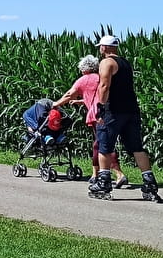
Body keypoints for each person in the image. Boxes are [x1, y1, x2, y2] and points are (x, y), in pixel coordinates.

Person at [88, 35, 160, 202]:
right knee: (137, 148)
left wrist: (100, 108)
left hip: (113, 111)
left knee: (105, 146)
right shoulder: (125, 63)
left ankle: (104, 183)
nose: (100, 49)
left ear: (104, 48)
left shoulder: (106, 63)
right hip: (131, 111)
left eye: (101, 47)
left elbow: (104, 86)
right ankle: (150, 184)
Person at [53, 55, 125, 187]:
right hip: (110, 112)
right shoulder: (100, 76)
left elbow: (69, 94)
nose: (80, 71)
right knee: (100, 144)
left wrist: (57, 104)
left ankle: (118, 174)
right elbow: (96, 94)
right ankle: (96, 173)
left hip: (97, 115)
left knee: (103, 145)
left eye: (81, 68)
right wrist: (80, 101)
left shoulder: (84, 79)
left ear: (85, 68)